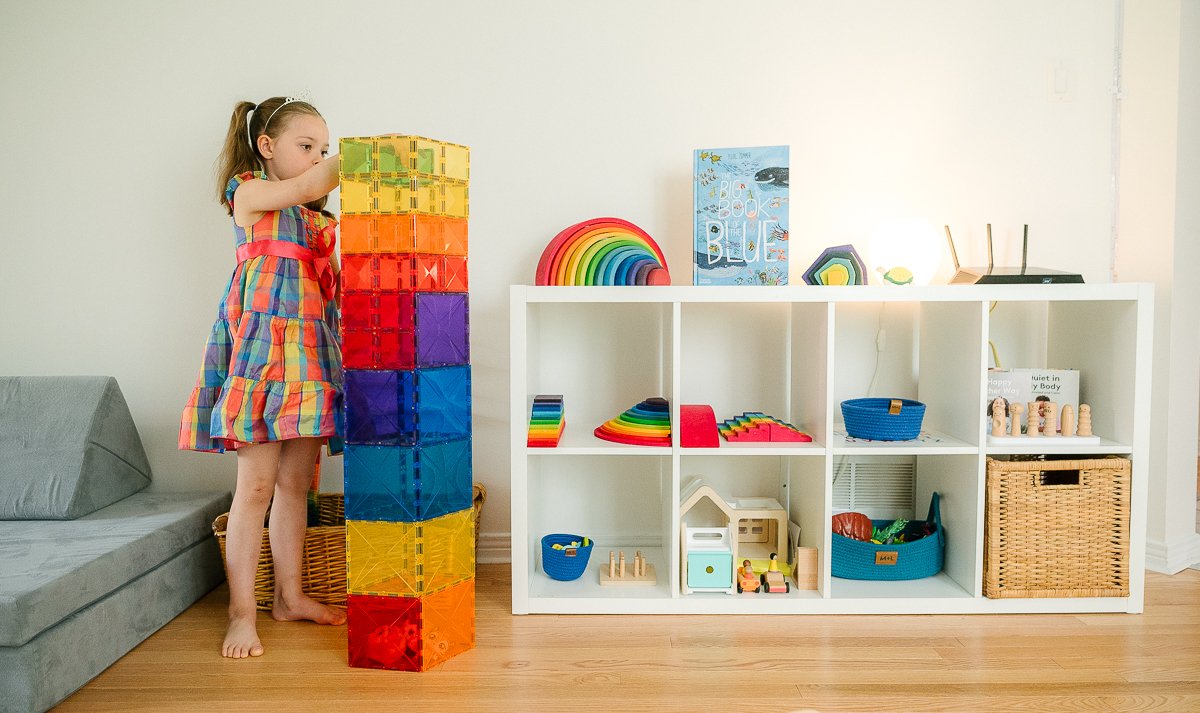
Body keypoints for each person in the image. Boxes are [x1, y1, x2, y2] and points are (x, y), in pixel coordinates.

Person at [179, 96, 345, 658]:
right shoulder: (249, 195)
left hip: (309, 357)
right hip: (262, 358)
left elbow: (329, 288)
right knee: (255, 488)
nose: (316, 161)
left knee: (297, 485)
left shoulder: (319, 221)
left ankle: (289, 597)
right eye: (307, 147)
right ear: (267, 147)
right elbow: (300, 187)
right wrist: (364, 159)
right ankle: (241, 612)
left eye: (323, 151)